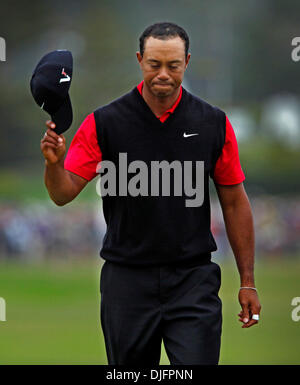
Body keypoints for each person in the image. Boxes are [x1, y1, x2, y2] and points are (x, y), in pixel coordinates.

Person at [40, 22, 261, 365]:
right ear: (140, 60)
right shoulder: (103, 123)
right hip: (126, 281)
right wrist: (54, 165)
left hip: (193, 279)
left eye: (173, 65)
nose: (163, 74)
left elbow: (234, 203)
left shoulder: (213, 123)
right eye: (154, 64)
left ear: (186, 62)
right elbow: (63, 194)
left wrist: (248, 281)